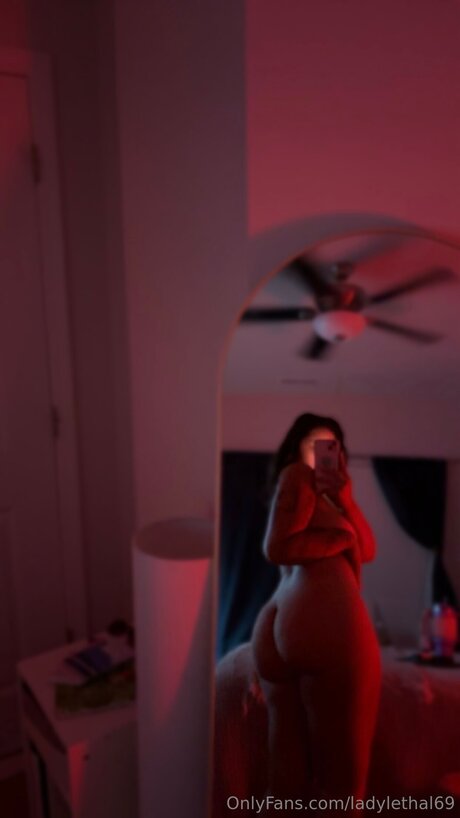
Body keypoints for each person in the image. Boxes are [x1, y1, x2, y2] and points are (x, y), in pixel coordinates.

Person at [251, 413, 381, 806]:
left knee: (284, 785)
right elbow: (277, 548)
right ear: (295, 450)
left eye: (331, 447)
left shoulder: (327, 497)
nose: (322, 455)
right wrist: (336, 542)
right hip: (320, 617)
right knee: (342, 794)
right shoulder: (297, 476)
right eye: (313, 444)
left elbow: (368, 550)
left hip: (286, 617)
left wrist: (345, 501)